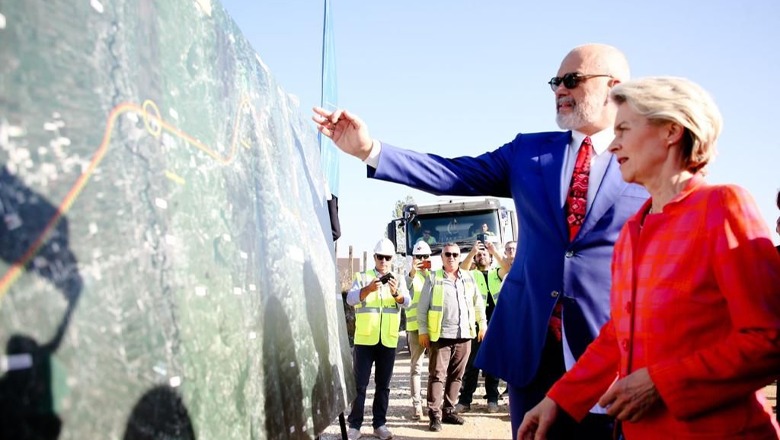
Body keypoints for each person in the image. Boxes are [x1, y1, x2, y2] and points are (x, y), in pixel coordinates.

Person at [313, 43, 647, 438]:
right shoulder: (529, 152)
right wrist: (370, 150)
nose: (559, 89)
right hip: (529, 347)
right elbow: (454, 173)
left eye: (571, 80)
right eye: (555, 81)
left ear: (615, 86)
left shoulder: (646, 154)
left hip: (606, 352)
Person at [519, 77, 780, 439]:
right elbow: (616, 336)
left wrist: (661, 383)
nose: (612, 146)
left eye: (623, 129)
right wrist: (558, 399)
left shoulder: (723, 207)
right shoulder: (632, 230)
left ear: (671, 131)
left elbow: (769, 339)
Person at [345, 238, 411, 440]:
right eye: (380, 257)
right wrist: (367, 290)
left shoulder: (398, 279)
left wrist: (396, 294)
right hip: (365, 340)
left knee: (383, 385)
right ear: (374, 257)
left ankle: (379, 424)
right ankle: (355, 425)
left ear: (392, 259)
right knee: (360, 385)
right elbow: (350, 299)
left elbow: (407, 302)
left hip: (388, 341)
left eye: (387, 257)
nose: (383, 260)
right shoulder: (363, 276)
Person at [417, 243, 487, 431]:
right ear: (442, 256)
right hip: (440, 337)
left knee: (457, 376)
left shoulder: (468, 278)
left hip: (464, 335)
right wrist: (423, 331)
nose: (452, 257)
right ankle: (435, 415)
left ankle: (449, 411)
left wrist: (483, 324)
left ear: (459, 256)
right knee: (437, 376)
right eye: (448, 254)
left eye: (455, 254)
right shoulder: (433, 278)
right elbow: (422, 309)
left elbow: (478, 303)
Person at [456, 241, 510, 414]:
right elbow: (462, 270)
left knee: (492, 365)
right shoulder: (471, 275)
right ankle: (465, 400)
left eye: (483, 254)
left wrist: (494, 251)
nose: (481, 256)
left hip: (495, 326)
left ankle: (492, 399)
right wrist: (472, 253)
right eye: (479, 255)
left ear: (490, 258)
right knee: (472, 365)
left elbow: (508, 267)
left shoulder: (497, 273)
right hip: (476, 325)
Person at [405, 240, 433, 421]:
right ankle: (417, 406)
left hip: (433, 329)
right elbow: (404, 288)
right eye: (418, 256)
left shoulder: (434, 276)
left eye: (425, 257)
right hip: (415, 329)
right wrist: (413, 272)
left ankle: (433, 405)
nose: (422, 259)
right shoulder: (409, 277)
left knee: (436, 369)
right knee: (416, 368)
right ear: (413, 257)